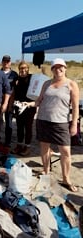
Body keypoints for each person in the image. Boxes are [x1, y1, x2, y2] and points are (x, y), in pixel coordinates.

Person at [25, 58, 80, 192]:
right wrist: (29, 104)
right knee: (44, 147)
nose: (58, 69)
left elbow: (75, 107)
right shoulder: (47, 83)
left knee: (65, 152)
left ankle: (66, 179)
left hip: (61, 123)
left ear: (65, 68)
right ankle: (46, 170)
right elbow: (39, 101)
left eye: (61, 67)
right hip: (43, 120)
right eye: (55, 67)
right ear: (52, 70)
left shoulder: (71, 84)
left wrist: (74, 124)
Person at [10, 61, 37, 156]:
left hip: (29, 107)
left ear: (28, 68)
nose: (23, 70)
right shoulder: (16, 79)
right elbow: (13, 94)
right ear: (19, 69)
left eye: (25, 68)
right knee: (19, 127)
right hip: (18, 106)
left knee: (28, 127)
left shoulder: (32, 78)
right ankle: (19, 146)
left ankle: (27, 147)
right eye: (21, 68)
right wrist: (11, 106)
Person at [0, 55, 18, 147]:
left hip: (10, 101)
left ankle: (8, 141)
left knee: (9, 122)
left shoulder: (14, 74)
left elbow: (15, 89)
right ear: (2, 62)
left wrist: (11, 104)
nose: (6, 63)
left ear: (10, 62)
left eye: (8, 61)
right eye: (4, 61)